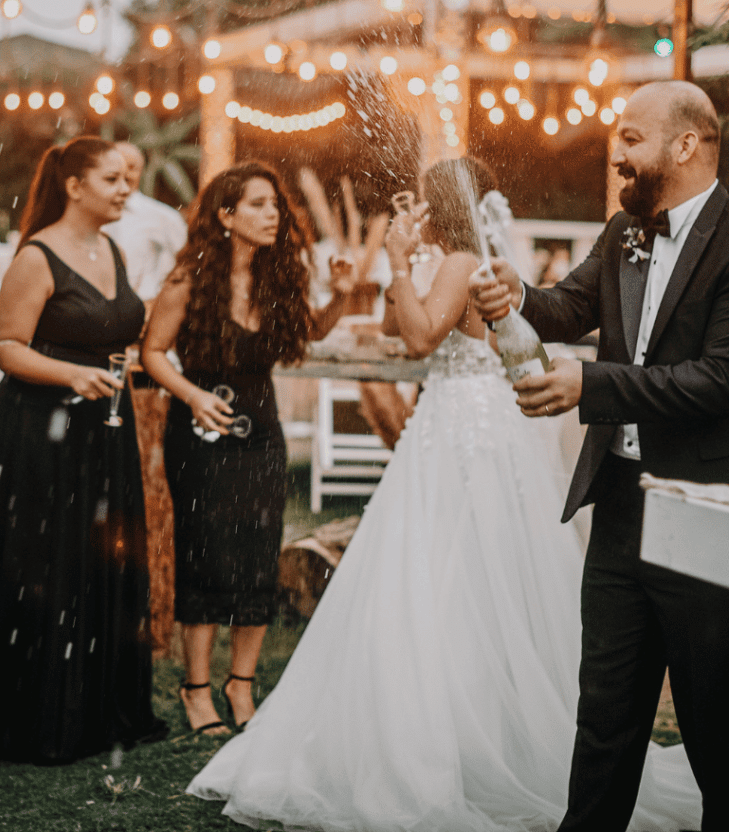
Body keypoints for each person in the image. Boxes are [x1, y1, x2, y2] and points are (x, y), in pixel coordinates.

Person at [187, 157, 700, 831]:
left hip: (466, 426)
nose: (414, 214)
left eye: (422, 203)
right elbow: (402, 335)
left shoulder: (461, 260)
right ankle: (446, 718)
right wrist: (397, 269)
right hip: (447, 421)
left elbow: (425, 334)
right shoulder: (451, 260)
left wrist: (400, 262)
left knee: (452, 573)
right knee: (435, 570)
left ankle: (458, 731)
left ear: (443, 205)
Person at [472, 79, 727, 832]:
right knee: (605, 714)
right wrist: (517, 293)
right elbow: (568, 308)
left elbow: (718, 378)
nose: (617, 153)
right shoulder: (627, 229)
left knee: (714, 722)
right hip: (618, 503)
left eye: (631, 137)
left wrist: (590, 385)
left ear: (686, 145)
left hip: (704, 509)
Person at [0, 136, 168, 764]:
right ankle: (39, 716)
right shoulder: (36, 256)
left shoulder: (112, 249)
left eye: (128, 177)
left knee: (101, 559)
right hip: (40, 431)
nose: (126, 187)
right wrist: (71, 375)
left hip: (104, 426)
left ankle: (99, 709)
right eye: (112, 178)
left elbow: (121, 328)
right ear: (74, 186)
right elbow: (9, 348)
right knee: (47, 567)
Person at [142, 161, 354, 736]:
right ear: (226, 216)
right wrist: (190, 396)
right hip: (202, 437)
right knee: (205, 556)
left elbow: (305, 337)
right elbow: (153, 352)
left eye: (275, 205)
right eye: (258, 204)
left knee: (257, 557)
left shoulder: (278, 277)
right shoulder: (189, 279)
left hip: (262, 434)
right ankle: (196, 690)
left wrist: (339, 297)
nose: (273, 215)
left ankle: (241, 685)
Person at [102, 142, 187, 304]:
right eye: (117, 167)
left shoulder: (163, 216)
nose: (125, 173)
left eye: (131, 167)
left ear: (141, 171)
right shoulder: (93, 212)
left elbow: (185, 264)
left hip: (143, 310)